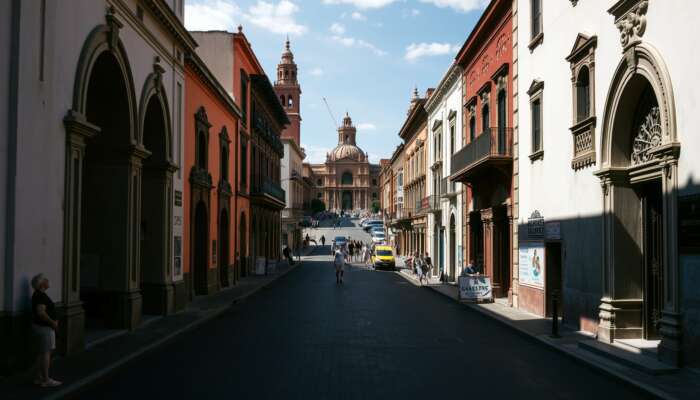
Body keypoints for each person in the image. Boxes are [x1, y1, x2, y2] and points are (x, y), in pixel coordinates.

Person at [31, 274, 61, 387]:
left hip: (42, 328)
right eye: (46, 280)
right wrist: (53, 323)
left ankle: (39, 377)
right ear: (42, 284)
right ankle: (46, 379)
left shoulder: (38, 295)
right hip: (44, 328)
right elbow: (41, 312)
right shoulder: (40, 296)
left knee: (42, 353)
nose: (48, 281)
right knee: (46, 353)